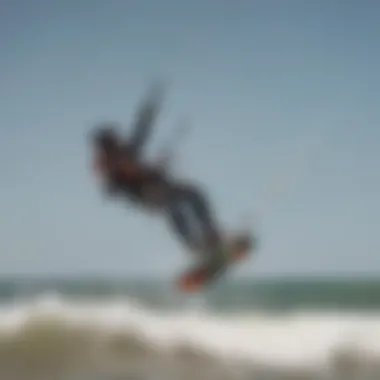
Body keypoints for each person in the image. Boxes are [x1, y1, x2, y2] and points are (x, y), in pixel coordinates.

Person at [90, 84, 224, 256]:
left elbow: (141, 132)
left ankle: (201, 243)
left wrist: (150, 109)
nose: (119, 139)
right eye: (115, 139)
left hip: (152, 192)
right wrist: (154, 167)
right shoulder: (113, 161)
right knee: (187, 199)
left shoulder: (122, 154)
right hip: (148, 194)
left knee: (181, 204)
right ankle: (204, 240)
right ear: (109, 144)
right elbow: (131, 170)